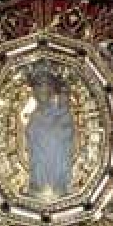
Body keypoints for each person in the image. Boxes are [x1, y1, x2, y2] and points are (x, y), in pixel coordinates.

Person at [26, 63, 75, 196]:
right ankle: (40, 185)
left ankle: (58, 185)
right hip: (39, 161)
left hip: (57, 159)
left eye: (46, 85)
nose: (43, 89)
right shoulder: (34, 115)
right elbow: (31, 139)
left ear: (52, 90)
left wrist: (58, 129)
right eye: (39, 86)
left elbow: (67, 132)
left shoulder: (60, 112)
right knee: (39, 167)